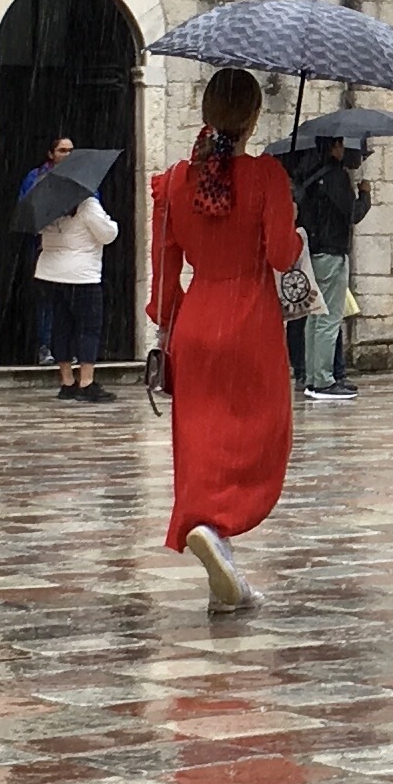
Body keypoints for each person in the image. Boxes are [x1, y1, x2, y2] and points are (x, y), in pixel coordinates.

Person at [151, 68, 302, 612]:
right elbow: (283, 255)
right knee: (258, 434)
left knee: (200, 440)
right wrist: (292, 216)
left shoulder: (173, 183)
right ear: (255, 117)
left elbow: (163, 270)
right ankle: (219, 529)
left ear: (205, 113)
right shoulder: (266, 177)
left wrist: (164, 325)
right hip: (251, 319)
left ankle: (217, 549)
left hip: (197, 321)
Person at [23, 139, 120, 402]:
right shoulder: (87, 204)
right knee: (89, 328)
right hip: (82, 275)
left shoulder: (44, 205)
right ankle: (86, 382)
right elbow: (107, 234)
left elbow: (40, 233)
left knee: (61, 326)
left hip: (49, 273)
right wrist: (111, 221)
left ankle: (66, 381)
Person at [293, 134, 367, 403]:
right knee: (328, 318)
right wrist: (365, 194)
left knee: (314, 317)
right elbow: (352, 213)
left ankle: (313, 376)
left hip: (313, 252)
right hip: (333, 251)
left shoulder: (309, 175)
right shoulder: (336, 177)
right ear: (334, 147)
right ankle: (323, 380)